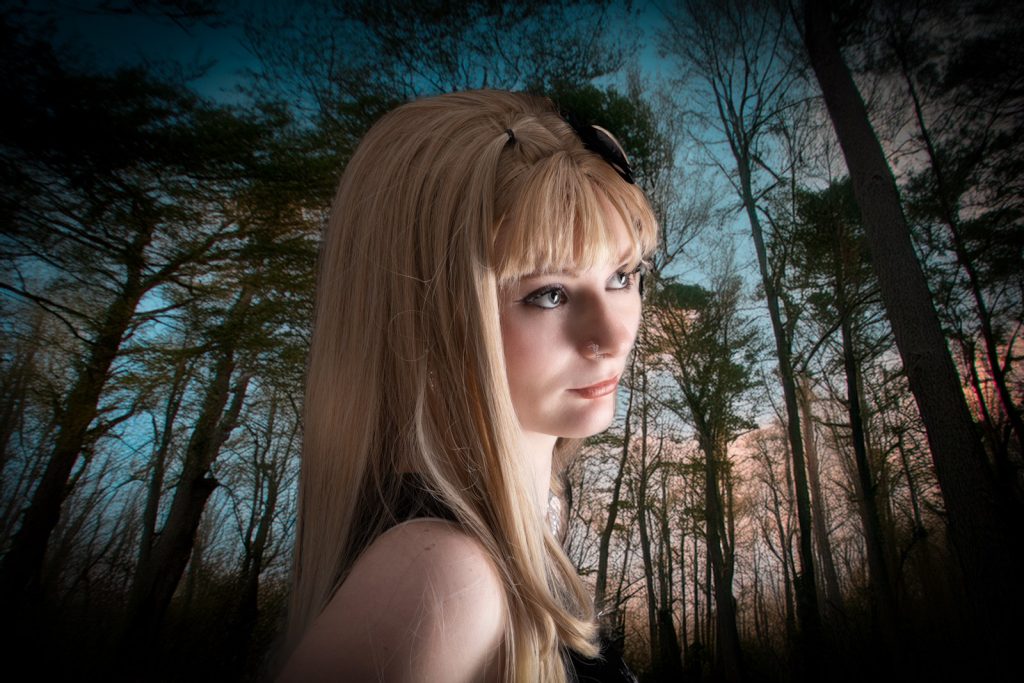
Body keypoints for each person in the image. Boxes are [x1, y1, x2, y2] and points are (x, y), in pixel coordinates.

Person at [279, 89, 658, 682]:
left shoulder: (531, 528)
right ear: (425, 319)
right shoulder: (441, 577)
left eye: (621, 276)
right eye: (548, 294)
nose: (612, 335)